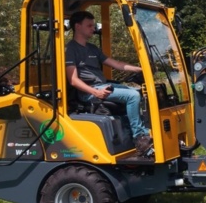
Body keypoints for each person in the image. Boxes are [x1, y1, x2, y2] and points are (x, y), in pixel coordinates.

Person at [65, 10, 154, 156]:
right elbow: (73, 80)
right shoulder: (71, 49)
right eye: (89, 26)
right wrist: (96, 92)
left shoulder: (92, 48)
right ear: (77, 26)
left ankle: (139, 134)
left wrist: (142, 69)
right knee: (132, 96)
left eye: (93, 25)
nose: (93, 29)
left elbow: (117, 64)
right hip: (89, 92)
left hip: (102, 86)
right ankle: (140, 138)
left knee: (138, 92)